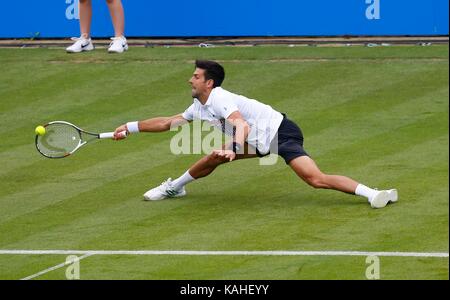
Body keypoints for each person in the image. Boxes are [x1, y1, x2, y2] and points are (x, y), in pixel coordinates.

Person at [113, 60, 398, 209]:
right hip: (257, 138)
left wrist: (234, 147)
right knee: (213, 157)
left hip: (279, 133)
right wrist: (131, 126)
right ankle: (175, 187)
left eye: (196, 76)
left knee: (315, 179)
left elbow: (242, 125)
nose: (190, 79)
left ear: (209, 83)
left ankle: (374, 194)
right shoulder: (199, 106)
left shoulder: (220, 98)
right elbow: (168, 122)